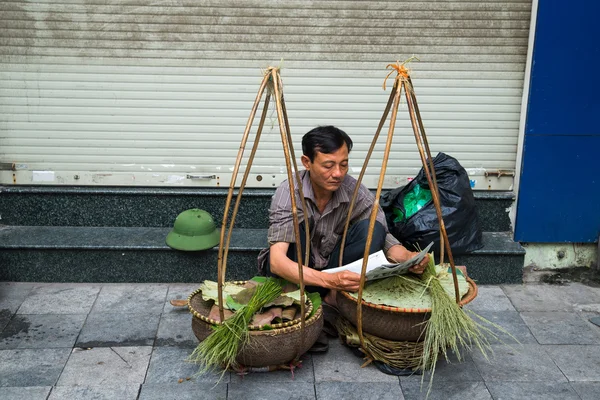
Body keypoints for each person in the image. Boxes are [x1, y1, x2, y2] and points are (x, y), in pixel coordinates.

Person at [257, 125, 430, 307]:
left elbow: (383, 237)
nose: (338, 173)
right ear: (307, 163)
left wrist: (408, 257)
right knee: (295, 232)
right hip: (296, 274)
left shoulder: (354, 192)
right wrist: (329, 280)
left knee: (372, 228)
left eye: (344, 164)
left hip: (335, 272)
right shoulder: (289, 192)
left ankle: (332, 297)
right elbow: (277, 261)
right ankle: (299, 298)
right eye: (328, 166)